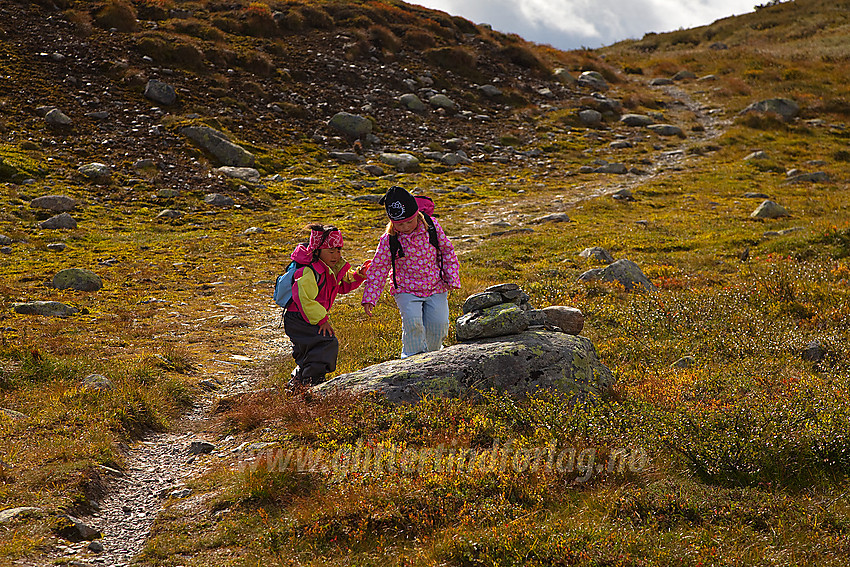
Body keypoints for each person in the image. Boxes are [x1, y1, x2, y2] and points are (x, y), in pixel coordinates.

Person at [361, 186, 461, 358]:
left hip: (436, 286)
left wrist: (451, 276)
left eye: (409, 221)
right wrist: (370, 297)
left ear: (417, 214)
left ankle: (434, 355)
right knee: (413, 324)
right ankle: (411, 358)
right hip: (406, 290)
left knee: (439, 324)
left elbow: (447, 251)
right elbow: (379, 268)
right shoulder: (389, 240)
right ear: (392, 222)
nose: (406, 227)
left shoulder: (432, 228)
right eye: (399, 224)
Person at [284, 224, 370, 386]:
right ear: (317, 251)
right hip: (299, 317)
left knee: (309, 349)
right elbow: (305, 299)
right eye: (331, 251)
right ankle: (313, 381)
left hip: (305, 316)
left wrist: (359, 275)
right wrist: (322, 319)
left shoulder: (330, 269)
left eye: (338, 251)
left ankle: (298, 382)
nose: (336, 256)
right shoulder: (308, 271)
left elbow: (342, 285)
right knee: (326, 342)